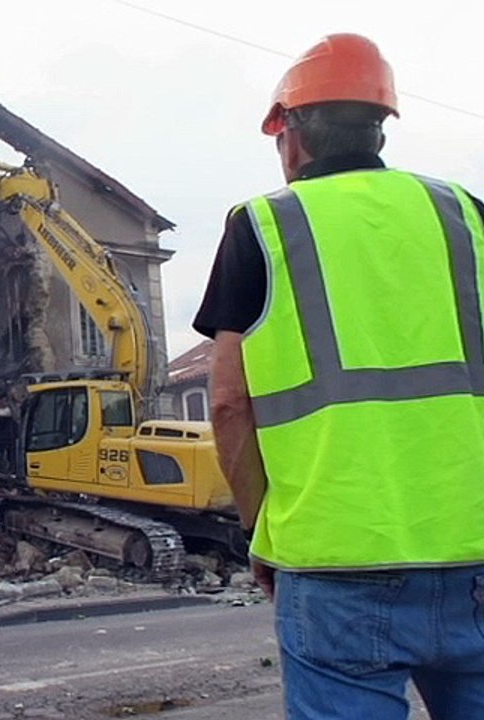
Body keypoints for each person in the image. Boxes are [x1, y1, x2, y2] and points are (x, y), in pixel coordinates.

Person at [194, 33, 484, 720]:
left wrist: (262, 530)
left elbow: (231, 402)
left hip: (335, 563)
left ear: (290, 133)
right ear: (381, 127)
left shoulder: (264, 225)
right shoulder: (464, 214)